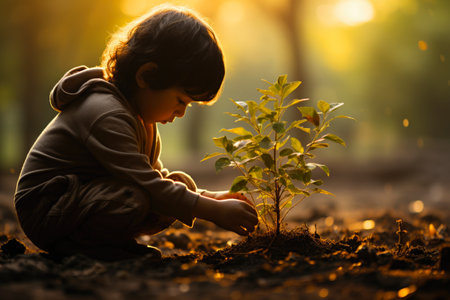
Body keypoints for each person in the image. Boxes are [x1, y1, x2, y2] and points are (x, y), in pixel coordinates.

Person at [14, 5, 258, 261]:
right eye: (180, 100)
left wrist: (211, 197)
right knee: (134, 198)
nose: (181, 113)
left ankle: (106, 244)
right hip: (47, 208)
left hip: (80, 200)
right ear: (147, 75)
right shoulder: (106, 114)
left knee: (178, 184)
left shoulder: (142, 118)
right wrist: (213, 211)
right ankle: (83, 248)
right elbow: (148, 186)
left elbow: (153, 177)